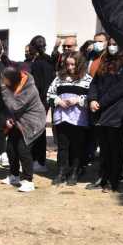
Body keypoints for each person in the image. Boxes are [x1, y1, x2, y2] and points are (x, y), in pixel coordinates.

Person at [87, 40, 123, 192]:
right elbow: (94, 83)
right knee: (104, 149)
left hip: (119, 111)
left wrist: (101, 102)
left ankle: (113, 181)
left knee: (116, 150)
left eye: (115, 43)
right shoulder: (104, 61)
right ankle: (102, 178)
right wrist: (92, 99)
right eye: (110, 43)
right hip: (101, 111)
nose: (112, 46)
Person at [47, 52, 93, 186]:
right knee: (62, 146)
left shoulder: (87, 79)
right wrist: (57, 101)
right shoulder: (58, 78)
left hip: (79, 119)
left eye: (73, 64)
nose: (70, 67)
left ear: (79, 64)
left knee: (77, 147)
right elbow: (49, 94)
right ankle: (61, 172)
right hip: (62, 118)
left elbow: (92, 97)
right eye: (67, 64)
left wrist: (78, 100)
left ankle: (74, 172)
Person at [0, 67, 46, 192]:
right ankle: (14, 175)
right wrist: (8, 118)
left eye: (5, 80)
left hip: (32, 123)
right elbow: (9, 108)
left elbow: (14, 106)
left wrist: (4, 89)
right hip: (17, 121)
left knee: (23, 150)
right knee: (10, 148)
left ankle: (28, 180)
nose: (3, 82)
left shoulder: (29, 88)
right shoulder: (13, 86)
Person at [27, 35, 56, 173]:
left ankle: (39, 160)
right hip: (45, 100)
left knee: (38, 131)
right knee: (39, 130)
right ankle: (38, 160)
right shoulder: (48, 60)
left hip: (39, 101)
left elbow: (39, 85)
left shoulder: (39, 63)